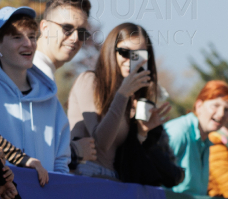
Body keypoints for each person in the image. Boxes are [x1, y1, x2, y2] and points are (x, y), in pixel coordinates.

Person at [67, 23, 170, 180]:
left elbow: (126, 157)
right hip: (85, 176)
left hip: (116, 181)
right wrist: (122, 95)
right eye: (124, 52)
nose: (130, 60)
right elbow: (101, 143)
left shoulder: (133, 96)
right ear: (111, 51)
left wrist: (142, 132)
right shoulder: (90, 81)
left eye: (139, 55)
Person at [0, 6, 71, 176]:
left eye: (31, 36)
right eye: (17, 37)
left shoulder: (50, 100)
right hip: (2, 195)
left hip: (47, 197)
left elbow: (61, 160)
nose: (28, 43)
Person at [34, 0, 96, 171]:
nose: (76, 38)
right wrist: (75, 151)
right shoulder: (28, 74)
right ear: (45, 27)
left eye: (82, 32)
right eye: (67, 28)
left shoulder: (43, 75)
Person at [165, 81, 228, 195]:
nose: (221, 114)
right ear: (199, 106)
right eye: (215, 105)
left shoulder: (207, 142)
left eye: (227, 109)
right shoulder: (179, 131)